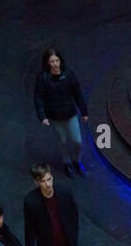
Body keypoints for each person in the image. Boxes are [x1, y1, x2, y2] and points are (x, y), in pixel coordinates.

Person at [33, 48, 89, 177]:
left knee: (77, 141)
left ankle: (76, 161)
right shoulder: (43, 78)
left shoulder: (68, 74)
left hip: (70, 114)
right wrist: (42, 116)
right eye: (52, 61)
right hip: (54, 116)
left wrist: (84, 111)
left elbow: (77, 93)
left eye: (57, 60)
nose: (55, 64)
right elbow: (38, 97)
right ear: (47, 63)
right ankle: (67, 163)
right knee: (62, 141)